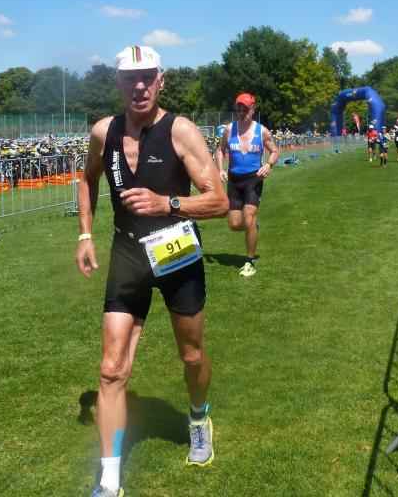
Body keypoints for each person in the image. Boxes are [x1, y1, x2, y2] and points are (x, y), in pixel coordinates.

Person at [75, 45, 228, 497]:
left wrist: (167, 203)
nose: (139, 86)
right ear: (119, 83)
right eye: (130, 78)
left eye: (147, 77)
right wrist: (85, 235)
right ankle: (109, 479)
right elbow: (87, 179)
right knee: (111, 369)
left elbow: (219, 201)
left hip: (176, 249)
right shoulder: (104, 131)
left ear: (161, 81)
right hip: (128, 252)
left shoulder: (181, 131)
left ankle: (198, 417)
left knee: (191, 355)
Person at [215, 93, 279, 277]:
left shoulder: (262, 131)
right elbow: (220, 150)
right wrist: (221, 169)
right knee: (234, 224)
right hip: (234, 181)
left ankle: (249, 262)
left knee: (249, 217)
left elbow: (275, 151)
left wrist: (268, 165)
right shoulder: (229, 129)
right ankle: (252, 227)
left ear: (253, 109)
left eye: (246, 109)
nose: (242, 112)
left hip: (253, 179)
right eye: (239, 109)